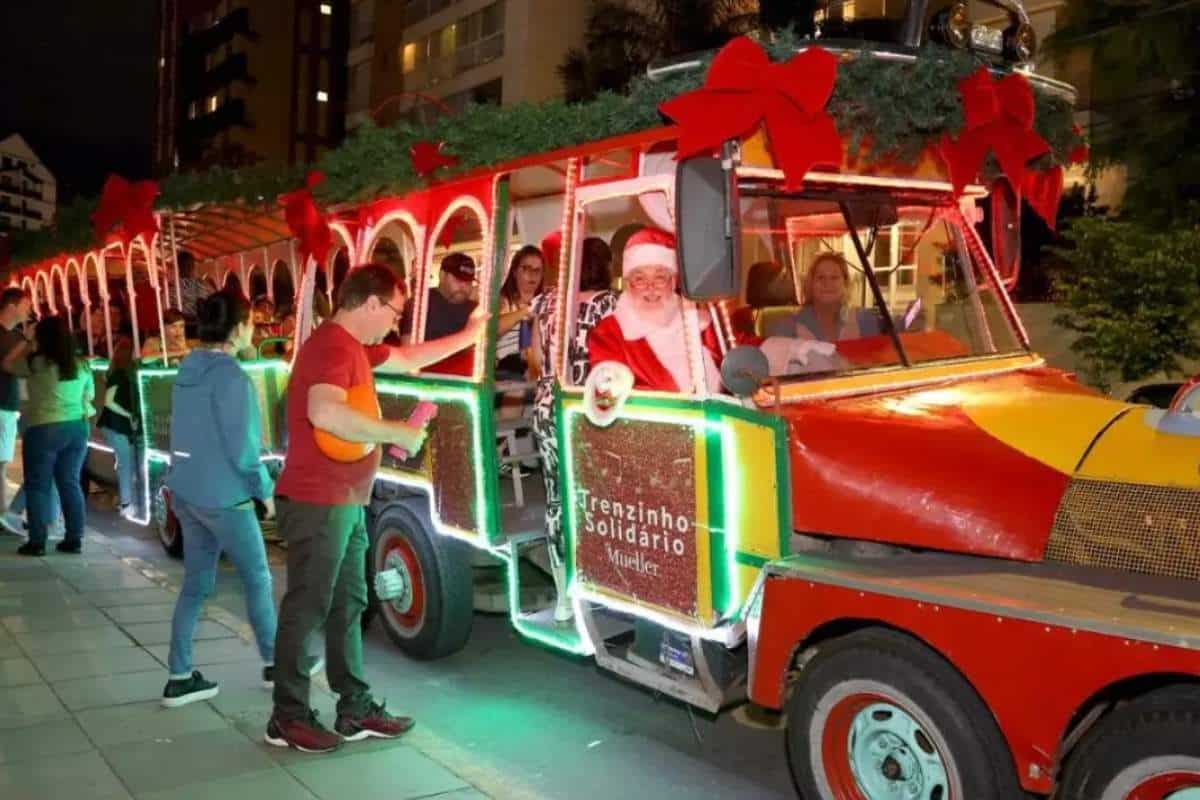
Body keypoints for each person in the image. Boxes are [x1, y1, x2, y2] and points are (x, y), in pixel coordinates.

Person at [267, 264, 486, 753]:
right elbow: (324, 412)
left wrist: (471, 334)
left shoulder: (353, 349)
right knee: (308, 607)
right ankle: (288, 715)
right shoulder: (330, 347)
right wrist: (396, 433)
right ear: (370, 303)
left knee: (348, 604)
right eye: (395, 311)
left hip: (345, 498)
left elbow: (408, 359)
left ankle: (355, 707)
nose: (396, 321)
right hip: (319, 499)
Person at [159, 291, 284, 707]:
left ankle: (179, 675)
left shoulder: (188, 368)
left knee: (196, 584)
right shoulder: (231, 376)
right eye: (250, 322)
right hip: (225, 496)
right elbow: (243, 446)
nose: (254, 329)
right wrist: (263, 490)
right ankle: (274, 662)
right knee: (257, 578)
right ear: (237, 327)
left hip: (188, 492)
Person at [529, 237, 617, 545]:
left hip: (547, 408)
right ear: (607, 267)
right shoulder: (611, 304)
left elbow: (538, 359)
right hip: (591, 413)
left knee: (557, 496)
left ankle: (560, 574)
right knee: (598, 497)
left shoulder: (548, 300)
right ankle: (594, 569)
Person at [587, 228, 723, 393]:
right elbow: (605, 391)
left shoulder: (700, 323)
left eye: (659, 277)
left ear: (673, 282)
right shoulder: (609, 333)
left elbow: (739, 350)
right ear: (628, 285)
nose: (650, 287)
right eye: (639, 279)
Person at [3, 315, 94, 556]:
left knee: (38, 486)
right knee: (70, 483)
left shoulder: (35, 363)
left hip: (43, 428)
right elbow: (90, 395)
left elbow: (7, 363)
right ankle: (74, 539)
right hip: (77, 428)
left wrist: (26, 339)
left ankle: (37, 542)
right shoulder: (81, 364)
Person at [764, 252, 881, 342]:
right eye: (820, 277)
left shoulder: (865, 320)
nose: (827, 283)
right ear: (810, 284)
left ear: (845, 284)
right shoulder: (787, 328)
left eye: (834, 277)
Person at [96, 337, 142, 519]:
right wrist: (128, 414)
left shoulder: (120, 373)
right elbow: (109, 401)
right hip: (116, 425)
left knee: (125, 463)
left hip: (116, 425)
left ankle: (125, 500)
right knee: (125, 464)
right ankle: (126, 504)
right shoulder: (120, 375)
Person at [0, 288, 32, 533]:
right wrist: (28, 343)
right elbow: (9, 365)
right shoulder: (16, 338)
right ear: (12, 305)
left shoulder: (16, 335)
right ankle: (2, 517)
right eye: (25, 305)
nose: (28, 310)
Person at [400, 252, 477, 342]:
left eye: (468, 282)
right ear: (442, 275)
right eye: (458, 279)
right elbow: (408, 349)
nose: (463, 286)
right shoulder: (419, 304)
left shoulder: (475, 310)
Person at [495, 245, 545, 379]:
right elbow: (492, 329)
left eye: (537, 270)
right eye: (526, 268)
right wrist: (525, 311)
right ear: (515, 271)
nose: (532, 274)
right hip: (505, 369)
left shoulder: (546, 303)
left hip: (537, 370)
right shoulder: (502, 300)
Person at [177, 251, 213, 336]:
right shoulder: (173, 285)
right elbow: (201, 303)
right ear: (180, 266)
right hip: (183, 326)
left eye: (192, 265)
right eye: (187, 265)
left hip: (193, 324)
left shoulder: (199, 283)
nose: (190, 268)